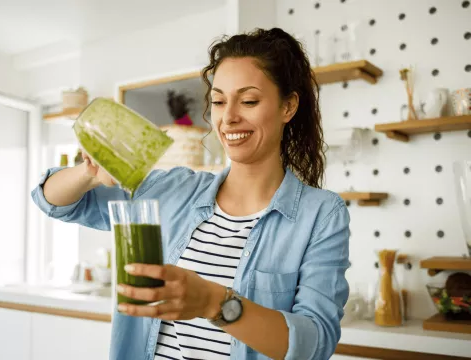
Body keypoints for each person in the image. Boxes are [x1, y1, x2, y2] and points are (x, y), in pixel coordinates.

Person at [32, 27, 350, 360]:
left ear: (288, 106)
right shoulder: (170, 190)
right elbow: (52, 201)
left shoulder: (321, 215)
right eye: (218, 101)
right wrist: (89, 171)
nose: (228, 117)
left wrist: (215, 303)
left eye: (249, 100)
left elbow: (313, 345)